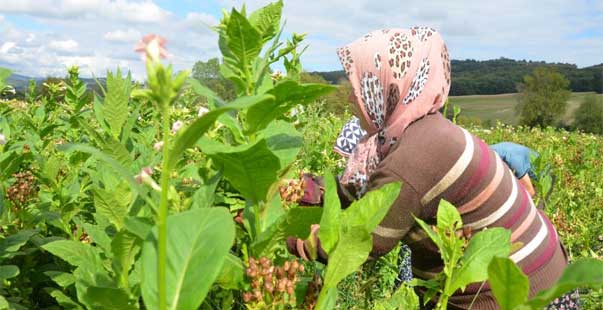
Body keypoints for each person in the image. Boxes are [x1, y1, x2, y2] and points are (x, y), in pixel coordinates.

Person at [284, 27, 577, 309]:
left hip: (517, 293)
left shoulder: (410, 157)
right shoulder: (421, 131)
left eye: (360, 86)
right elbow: (363, 191)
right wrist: (303, 189)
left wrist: (287, 239)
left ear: (387, 89)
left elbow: (365, 240)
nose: (351, 98)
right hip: (546, 271)